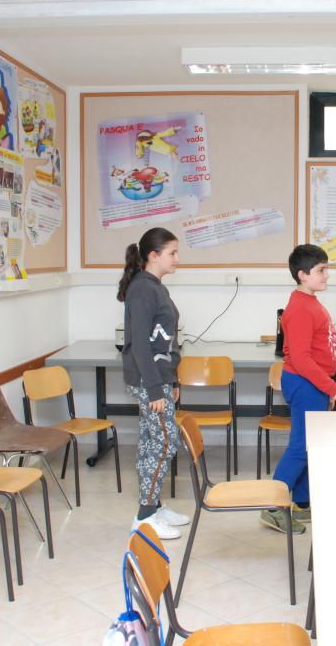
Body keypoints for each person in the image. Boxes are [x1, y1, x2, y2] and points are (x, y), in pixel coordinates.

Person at [262, 244, 336, 534]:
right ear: (303, 274)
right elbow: (301, 359)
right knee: (300, 447)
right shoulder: (300, 308)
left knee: (310, 446)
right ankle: (272, 507)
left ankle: (301, 503)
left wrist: (327, 389)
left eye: (326, 269)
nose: (326, 275)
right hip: (305, 383)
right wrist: (333, 388)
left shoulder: (309, 301)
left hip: (313, 384)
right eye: (321, 270)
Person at [118, 227, 191, 539]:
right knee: (163, 443)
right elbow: (140, 345)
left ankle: (154, 506)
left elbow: (166, 343)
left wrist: (171, 380)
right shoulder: (142, 290)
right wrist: (153, 389)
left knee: (152, 441)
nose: (177, 258)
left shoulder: (155, 286)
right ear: (153, 255)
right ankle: (145, 516)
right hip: (149, 381)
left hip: (159, 380)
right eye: (172, 253)